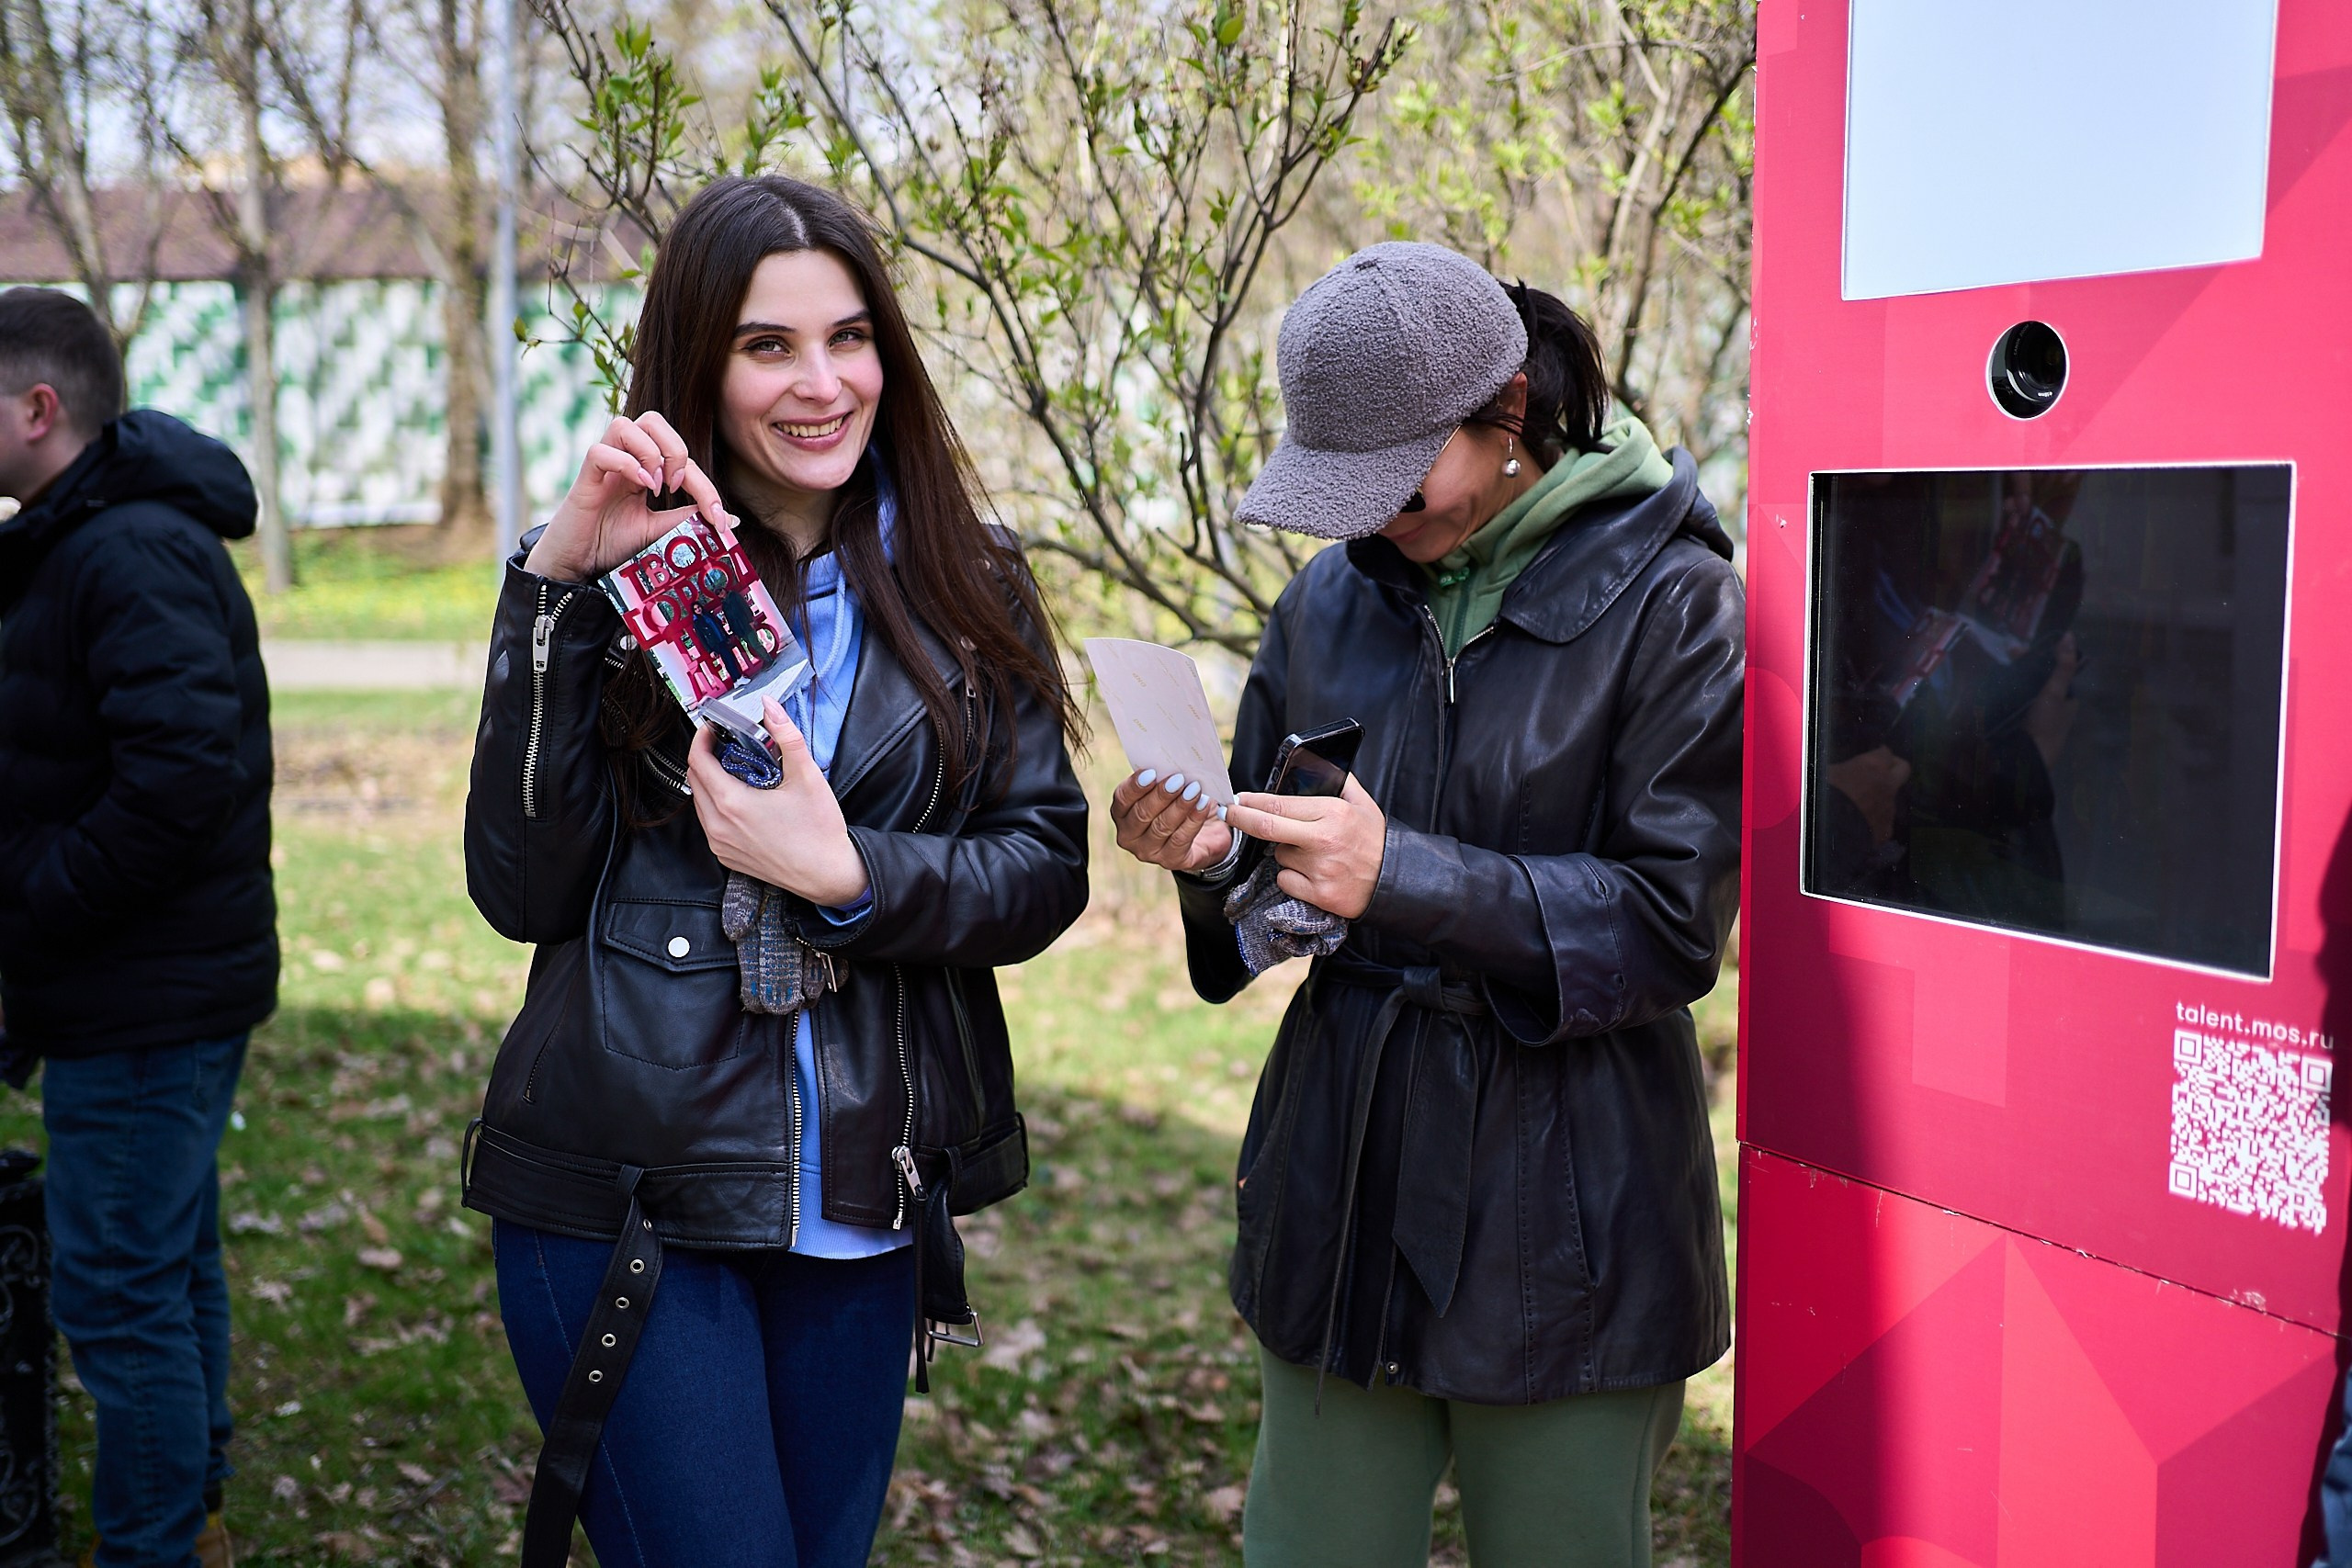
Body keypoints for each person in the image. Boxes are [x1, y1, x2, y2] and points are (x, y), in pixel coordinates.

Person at [460, 175, 1089, 1568]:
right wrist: (556, 593)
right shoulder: (622, 573)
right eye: (768, 346)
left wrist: (851, 871)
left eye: (849, 338)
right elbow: (522, 888)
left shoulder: (969, 580)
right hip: (628, 1194)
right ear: (697, 363)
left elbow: (1043, 867)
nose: (824, 383)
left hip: (864, 1206)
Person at [1110, 243, 1743, 1568]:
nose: (1374, 518)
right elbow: (1286, 909)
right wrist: (1212, 860)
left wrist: (1404, 875)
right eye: (1341, 489)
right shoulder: (1324, 602)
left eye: (1399, 478)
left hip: (1576, 1199)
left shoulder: (1677, 603)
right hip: (1347, 1173)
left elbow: (1671, 927)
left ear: (1509, 413)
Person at [0, 287, 272, 1568]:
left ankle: (156, 1546)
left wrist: (34, 903)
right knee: (165, 1263)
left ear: (38, 409)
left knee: (117, 1290)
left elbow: (178, 778)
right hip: (145, 987)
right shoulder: (88, 536)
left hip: (140, 992)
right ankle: (194, 1516)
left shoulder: (125, 548)